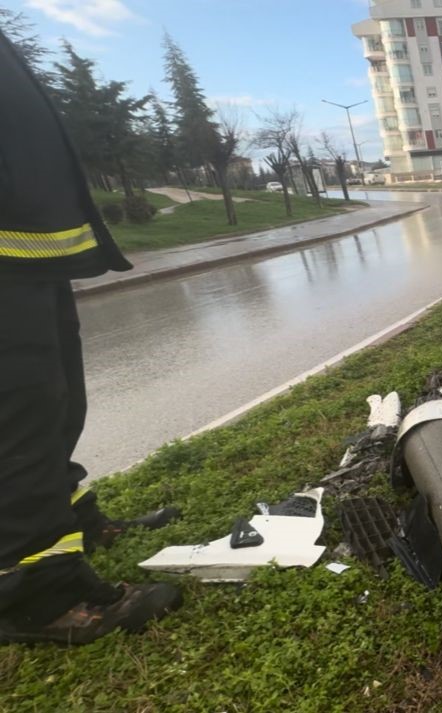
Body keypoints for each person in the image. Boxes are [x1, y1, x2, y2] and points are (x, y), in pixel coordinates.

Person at [1, 32, 181, 645]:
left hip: (25, 253)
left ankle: (75, 520)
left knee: (54, 403)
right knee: (16, 417)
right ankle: (41, 595)